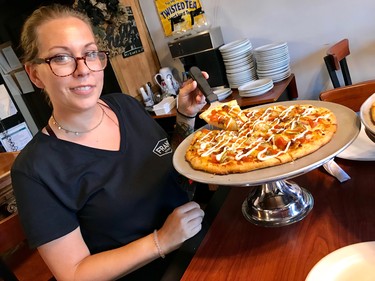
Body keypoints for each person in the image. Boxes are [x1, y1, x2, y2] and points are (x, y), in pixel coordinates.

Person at [11, 3, 208, 281]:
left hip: (202, 244)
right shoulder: (34, 170)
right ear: (35, 74)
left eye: (90, 53)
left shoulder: (125, 105)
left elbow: (171, 168)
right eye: (61, 58)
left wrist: (185, 117)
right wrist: (161, 241)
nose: (83, 70)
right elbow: (74, 273)